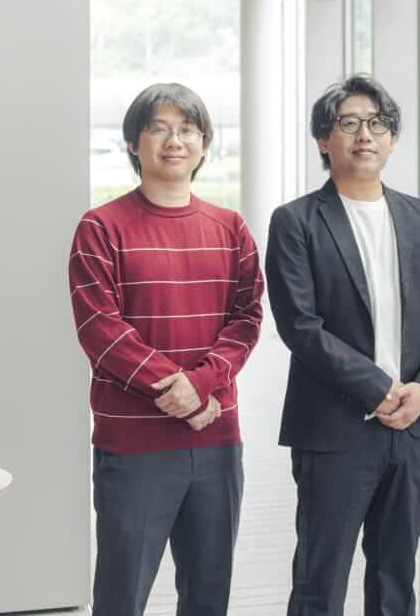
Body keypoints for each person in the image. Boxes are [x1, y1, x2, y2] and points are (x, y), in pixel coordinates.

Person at [266, 74, 420, 616]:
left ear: (392, 139)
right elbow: (300, 327)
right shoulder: (296, 221)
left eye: (377, 123)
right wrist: (379, 389)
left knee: (396, 577)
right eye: (348, 123)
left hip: (412, 429)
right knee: (319, 580)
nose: (365, 135)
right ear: (323, 140)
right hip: (334, 430)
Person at [69, 82, 262, 615]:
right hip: (134, 445)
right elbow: (101, 329)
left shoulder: (231, 229)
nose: (174, 141)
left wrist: (200, 386)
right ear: (134, 142)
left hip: (217, 441)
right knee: (121, 596)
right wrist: (182, 393)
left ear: (204, 144)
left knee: (207, 595)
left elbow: (247, 319)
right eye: (158, 128)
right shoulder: (100, 228)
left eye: (188, 129)